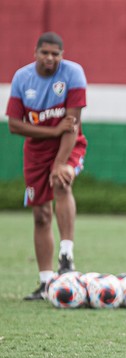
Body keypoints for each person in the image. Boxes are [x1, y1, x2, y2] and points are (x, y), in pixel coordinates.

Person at [6, 32, 87, 300]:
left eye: (55, 54)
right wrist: (51, 132)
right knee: (40, 214)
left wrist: (60, 163)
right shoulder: (22, 78)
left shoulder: (73, 74)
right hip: (36, 151)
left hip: (69, 145)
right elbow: (14, 125)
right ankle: (45, 282)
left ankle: (66, 255)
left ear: (61, 56)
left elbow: (71, 125)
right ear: (36, 53)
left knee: (61, 182)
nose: (50, 58)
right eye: (45, 53)